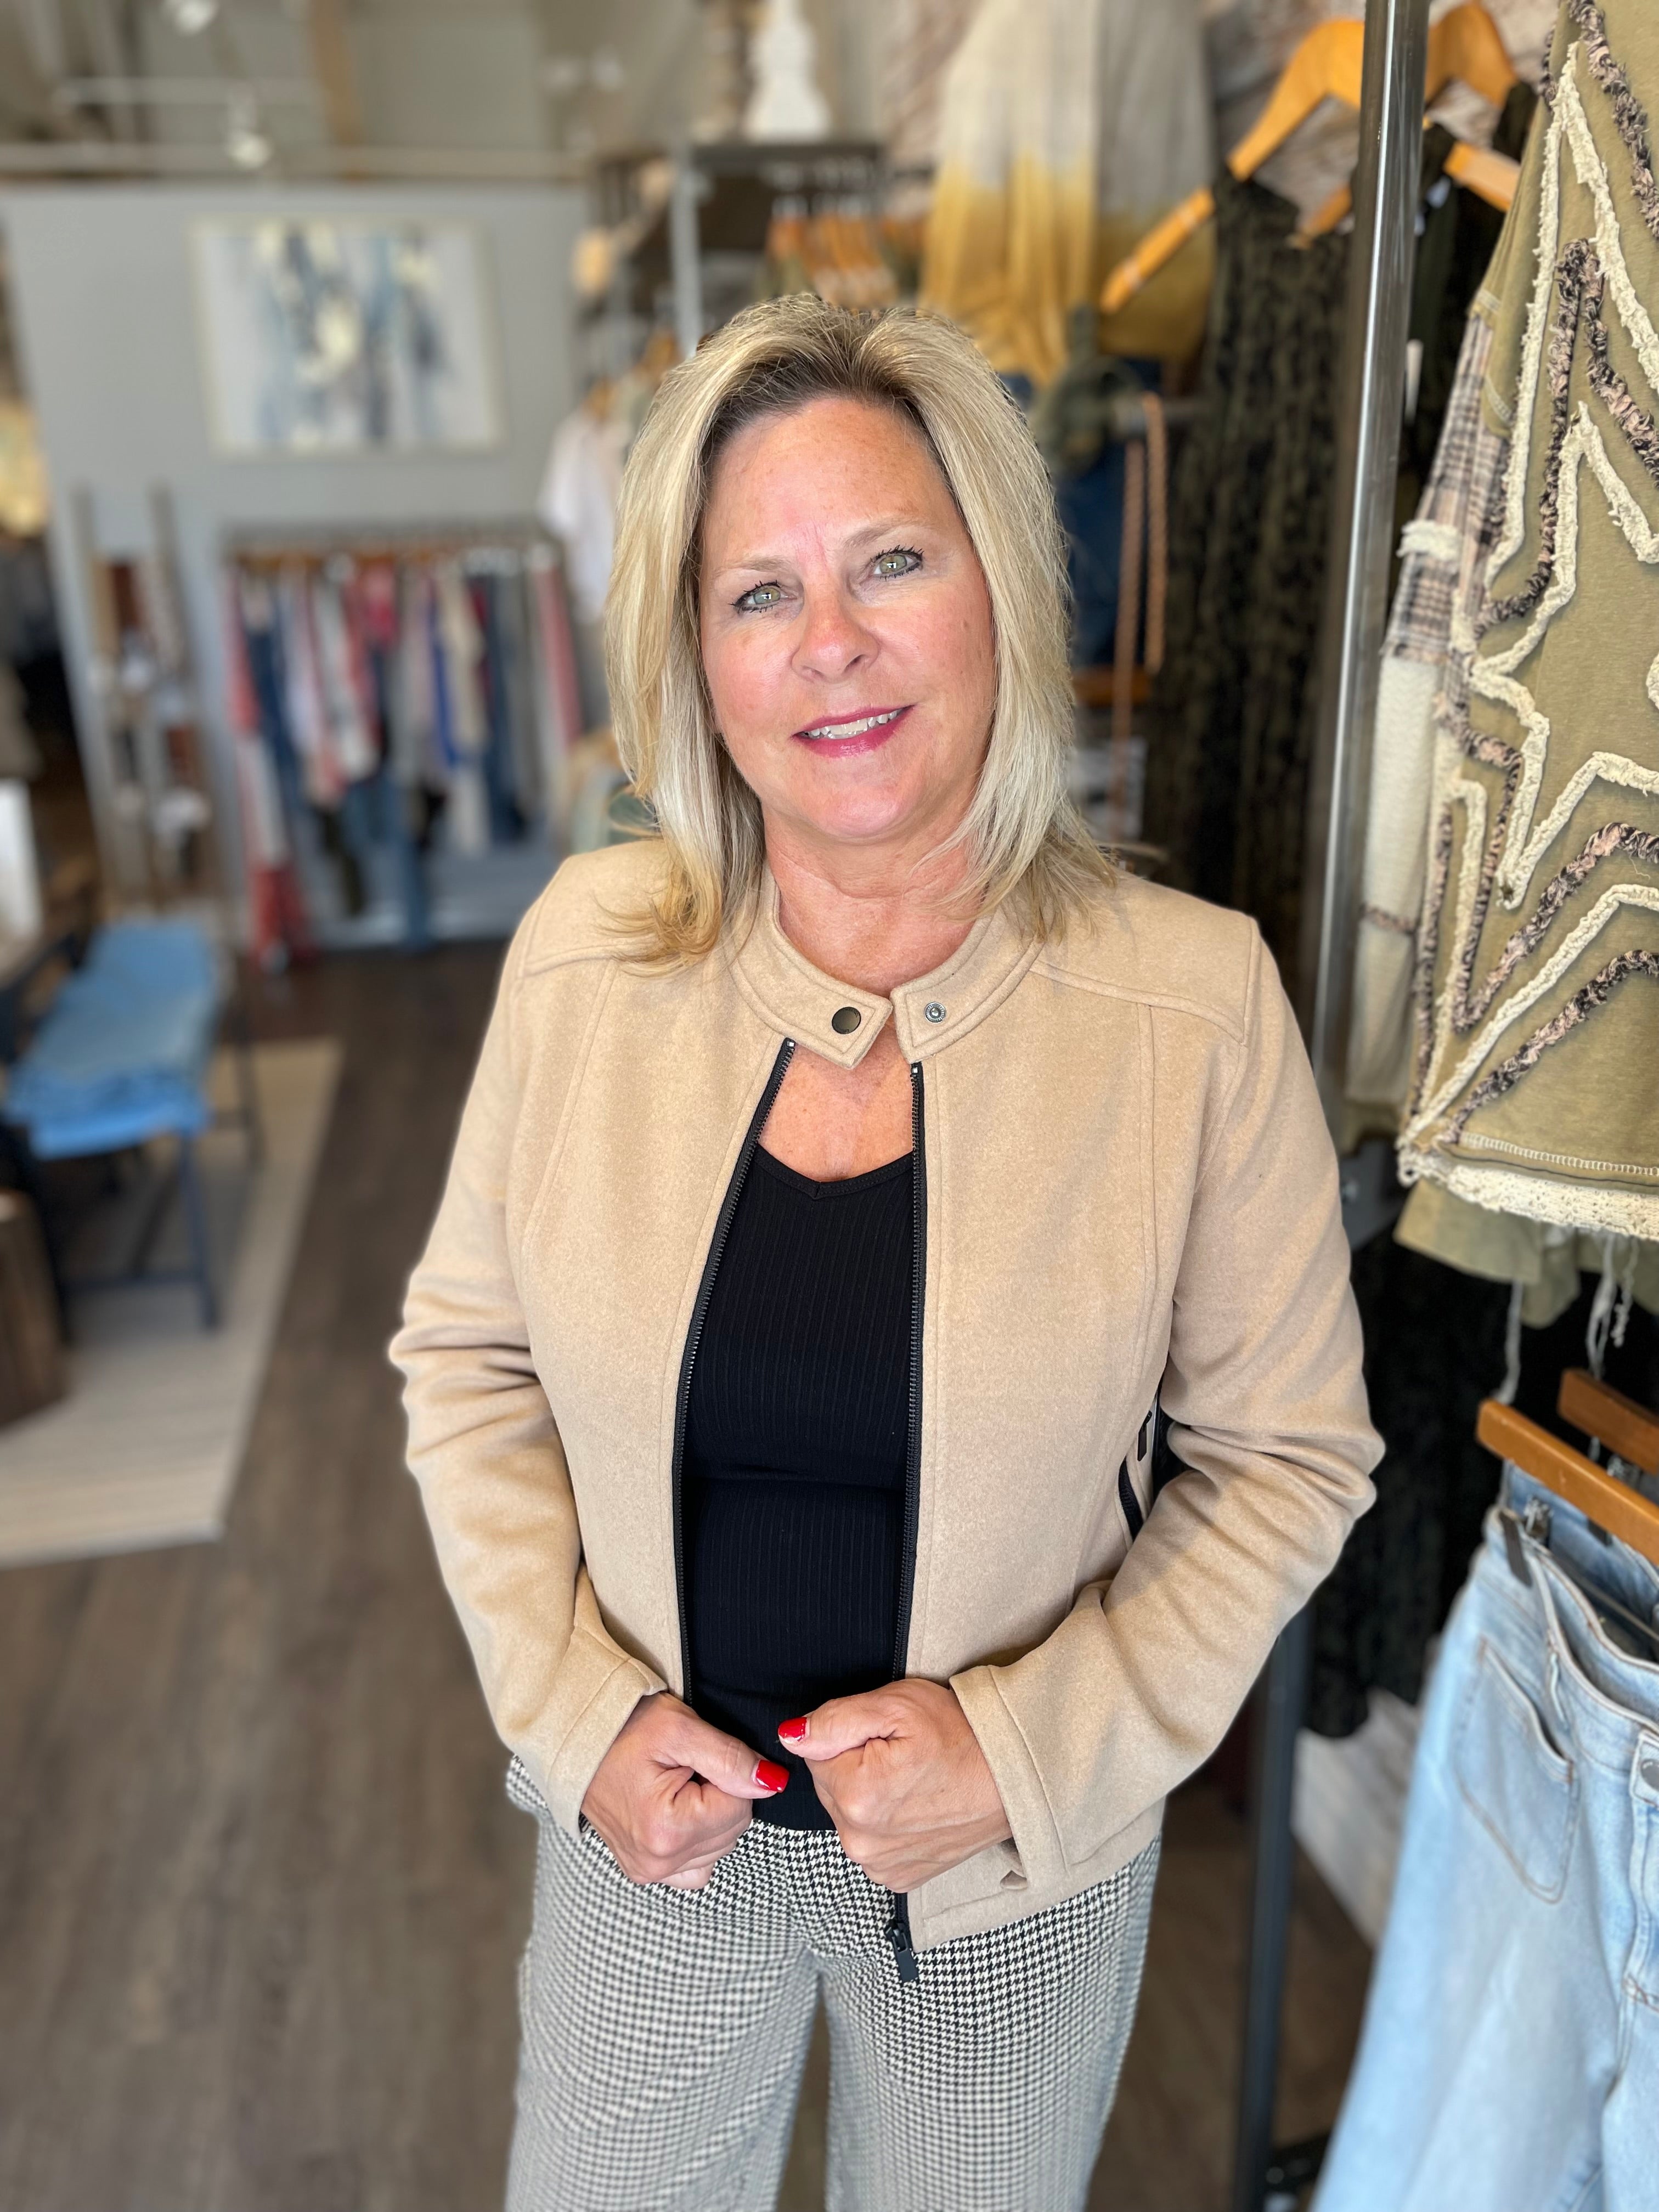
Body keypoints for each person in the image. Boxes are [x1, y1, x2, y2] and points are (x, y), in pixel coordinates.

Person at [392, 295, 1380, 2212]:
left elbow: (1288, 1458)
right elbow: (467, 1363)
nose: (830, 643)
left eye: (892, 563)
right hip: (648, 1853)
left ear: (1000, 588)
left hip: (1014, 1878)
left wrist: (1025, 1756)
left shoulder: (1192, 1007)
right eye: (758, 593)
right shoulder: (585, 956)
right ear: (697, 660)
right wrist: (574, 1719)